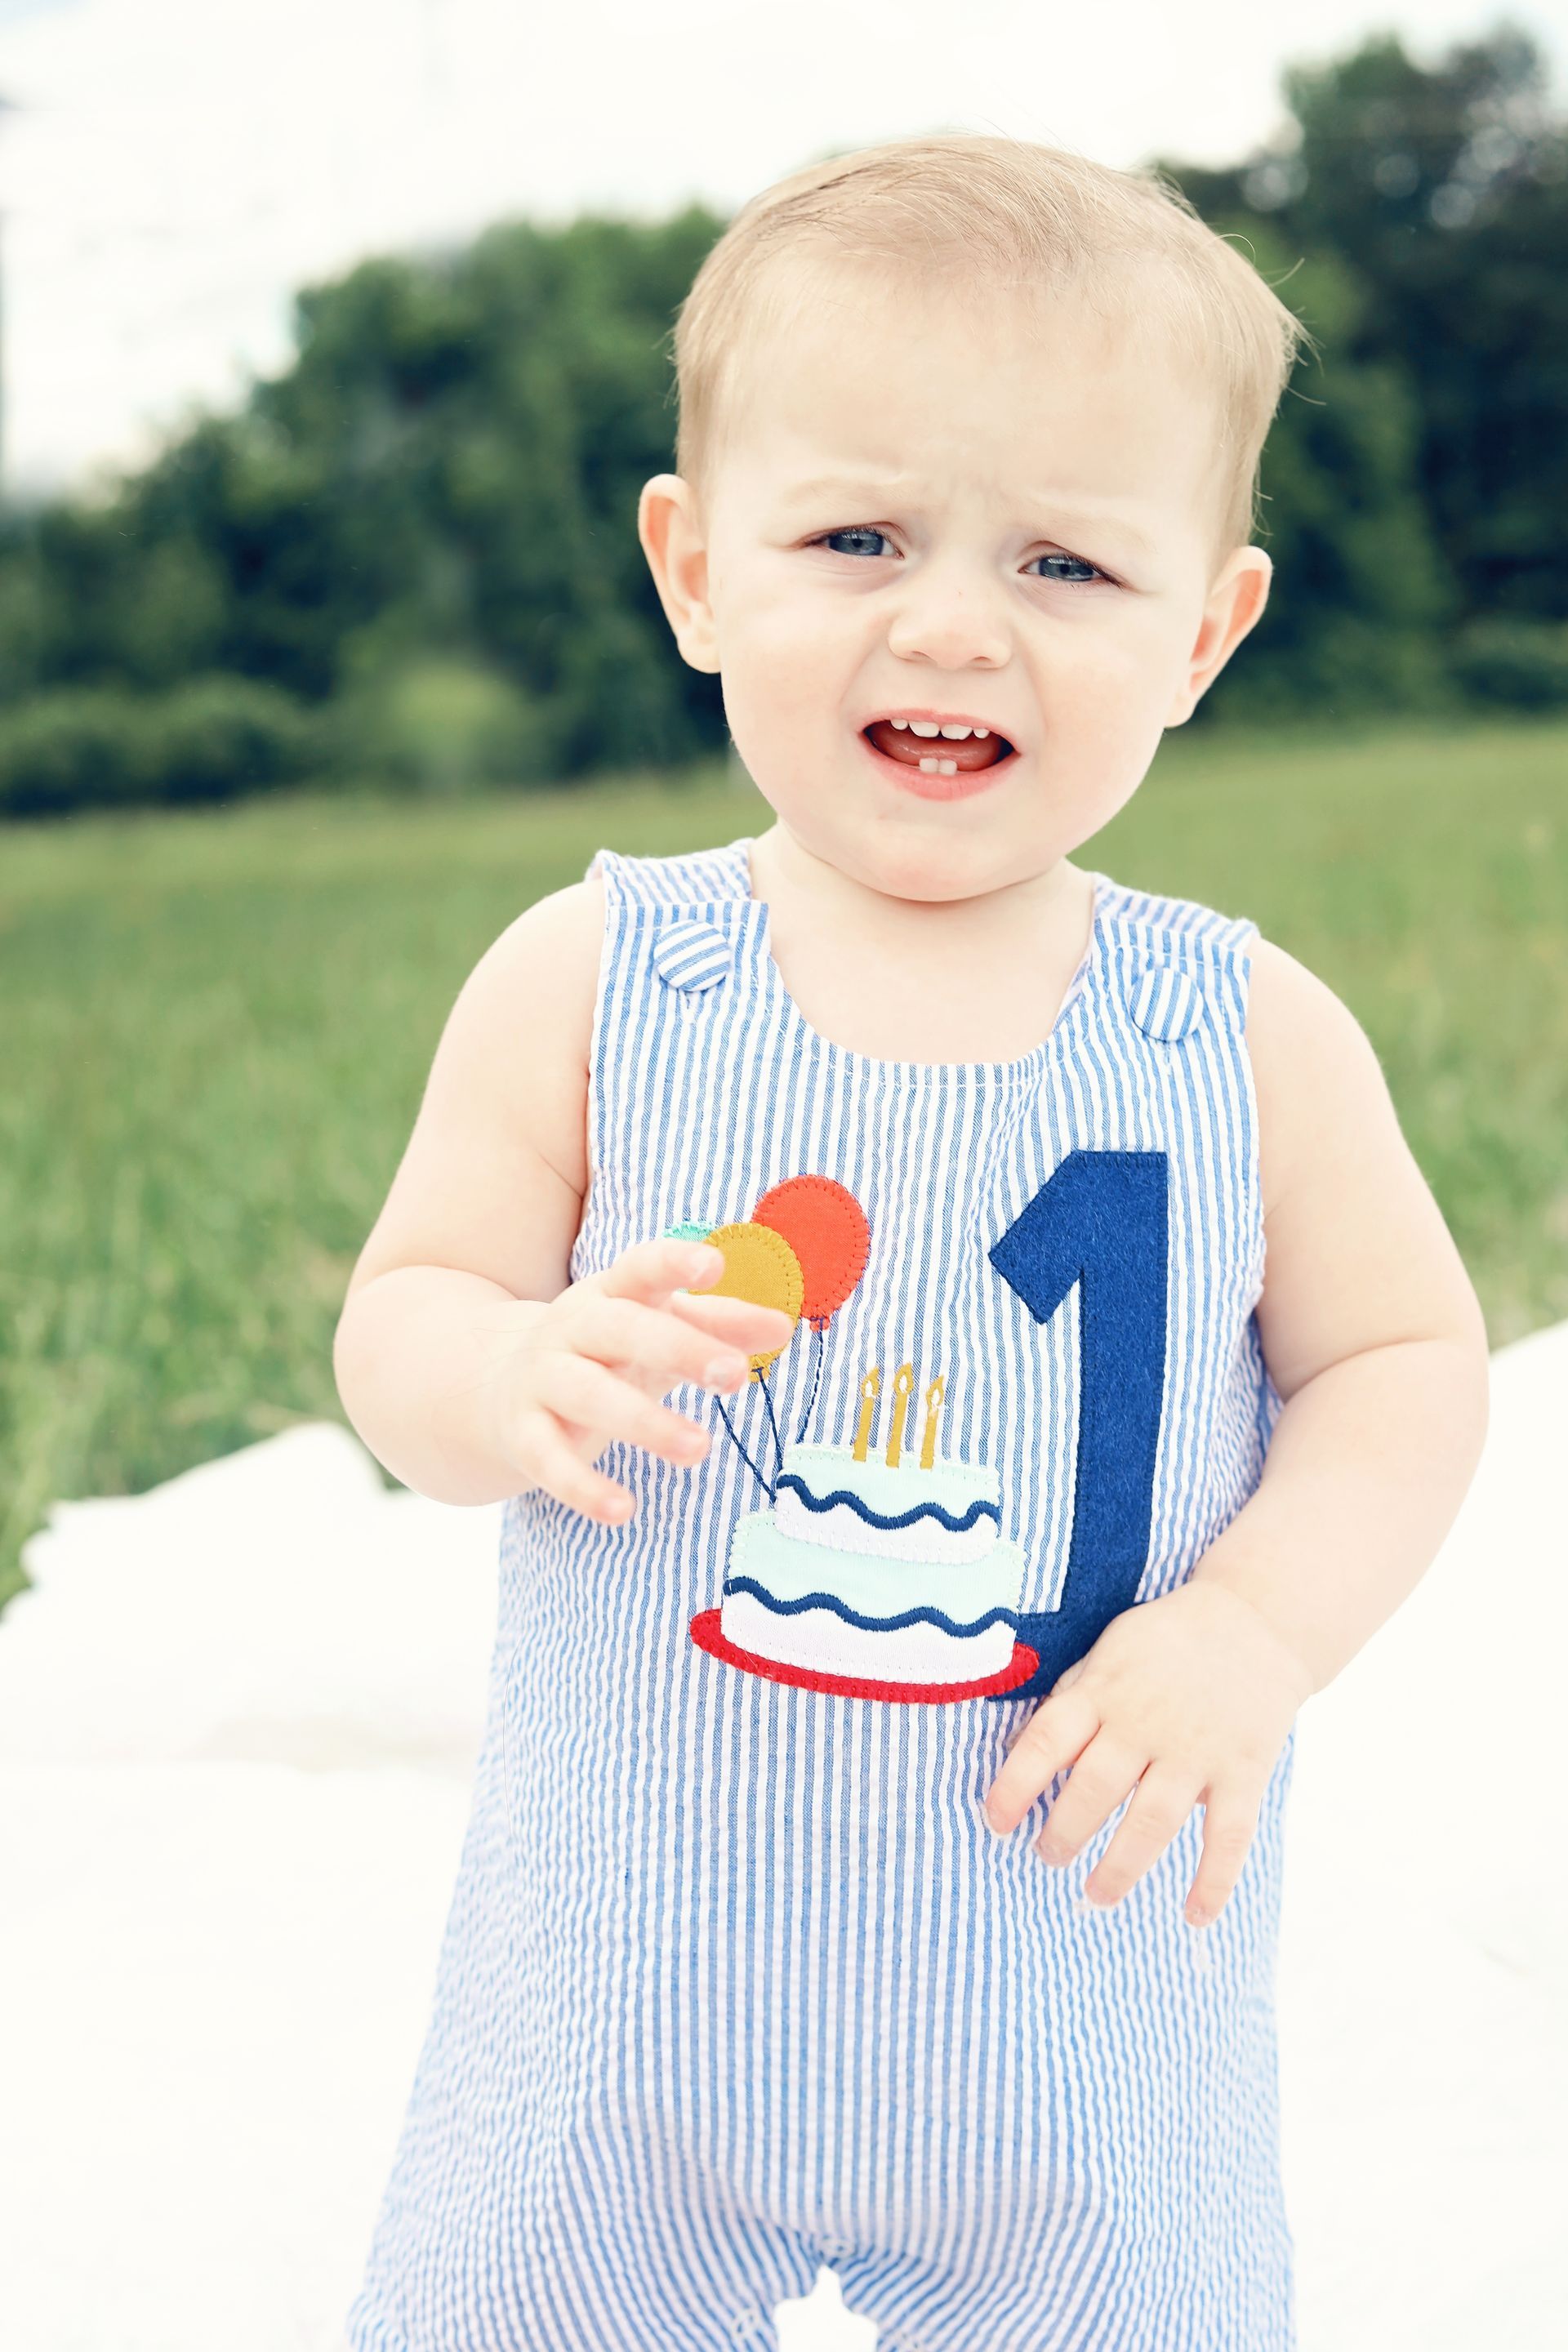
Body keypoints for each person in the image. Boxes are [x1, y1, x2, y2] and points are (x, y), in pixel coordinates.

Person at [333, 134, 1490, 2352]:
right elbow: (409, 1312)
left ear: (1204, 632)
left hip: (1074, 1995)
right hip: (623, 2004)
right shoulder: (601, 976)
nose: (948, 619)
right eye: (856, 534)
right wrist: (497, 1377)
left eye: (1064, 561)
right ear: (692, 571)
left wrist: (1252, 1630)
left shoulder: (1238, 1027)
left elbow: (1399, 1365)